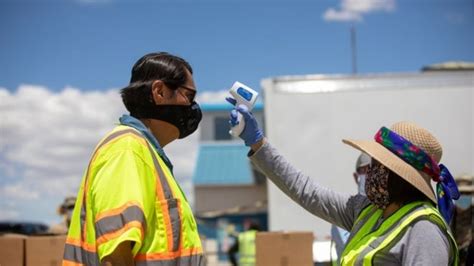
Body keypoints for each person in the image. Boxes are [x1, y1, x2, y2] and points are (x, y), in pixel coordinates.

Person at [226, 99, 460, 265]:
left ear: (401, 177)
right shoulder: (366, 211)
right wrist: (257, 143)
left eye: (379, 166)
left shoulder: (424, 231)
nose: (371, 173)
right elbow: (305, 190)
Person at [63, 52, 205, 265]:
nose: (192, 107)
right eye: (189, 96)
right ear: (159, 92)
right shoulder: (127, 149)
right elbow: (116, 253)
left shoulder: (146, 153)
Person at [331, 153, 370, 260]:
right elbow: (354, 249)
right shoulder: (345, 210)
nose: (368, 176)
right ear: (356, 177)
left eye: (371, 170)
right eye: (364, 171)